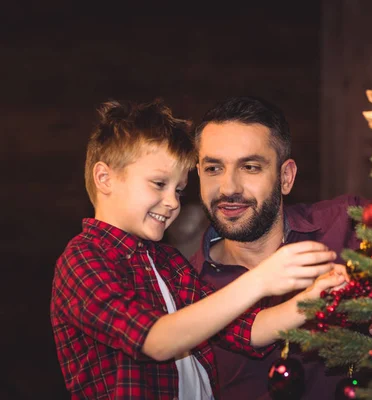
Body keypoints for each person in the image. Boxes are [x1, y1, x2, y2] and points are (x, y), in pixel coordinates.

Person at [50, 99, 349, 400]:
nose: (172, 202)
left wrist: (313, 299)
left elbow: (247, 330)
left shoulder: (168, 262)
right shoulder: (83, 260)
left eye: (178, 190)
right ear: (105, 178)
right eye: (158, 184)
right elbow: (156, 340)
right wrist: (262, 280)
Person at [190, 95, 365, 400]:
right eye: (214, 169)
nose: (229, 188)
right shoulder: (186, 290)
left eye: (251, 167)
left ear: (285, 177)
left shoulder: (349, 227)